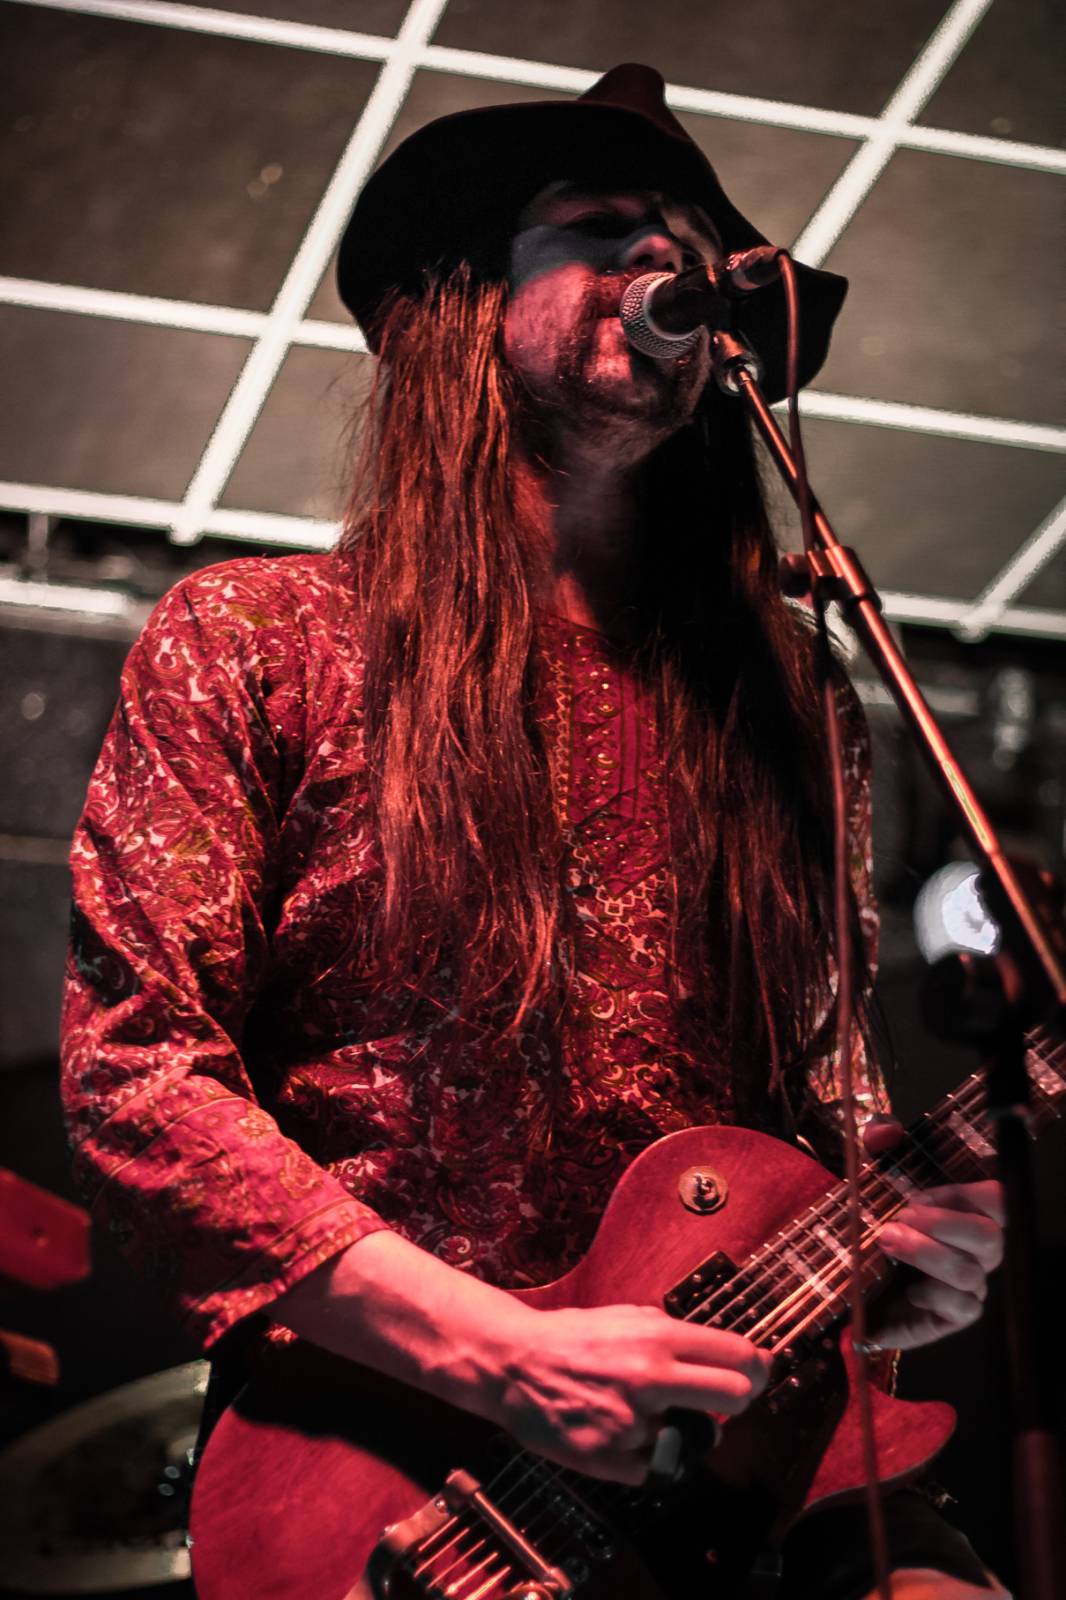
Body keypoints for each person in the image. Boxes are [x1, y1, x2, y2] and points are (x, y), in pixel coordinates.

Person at [60, 65, 1007, 1599]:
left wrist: (881, 1267)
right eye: (600, 226)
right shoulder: (255, 637)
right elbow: (136, 1069)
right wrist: (500, 1352)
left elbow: (824, 1099)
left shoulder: (788, 700)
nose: (664, 264)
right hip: (396, 1465)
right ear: (460, 296)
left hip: (742, 1461)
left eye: (686, 242)